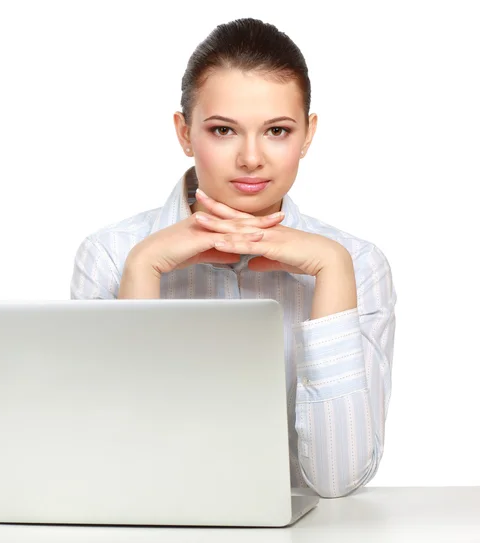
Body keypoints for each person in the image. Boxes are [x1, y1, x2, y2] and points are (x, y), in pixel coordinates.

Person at [70, 17, 397, 499]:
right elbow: (117, 465)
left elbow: (337, 479)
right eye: (223, 130)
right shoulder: (111, 254)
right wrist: (142, 271)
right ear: (184, 133)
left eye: (277, 131)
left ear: (307, 135)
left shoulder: (359, 264)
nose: (250, 158)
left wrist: (333, 271)